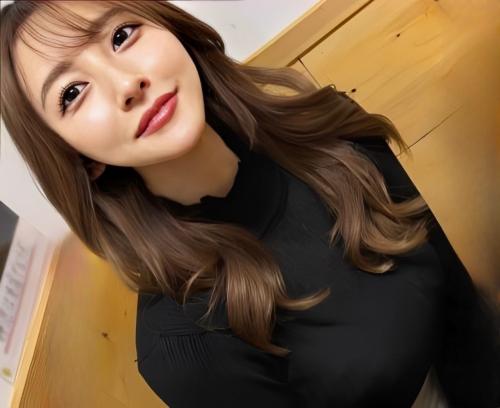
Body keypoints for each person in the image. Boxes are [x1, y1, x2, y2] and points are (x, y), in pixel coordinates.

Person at [1, 1, 499, 407]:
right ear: (79, 159)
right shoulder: (185, 347)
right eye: (72, 92)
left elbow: (463, 309)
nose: (127, 83)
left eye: (121, 35)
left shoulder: (328, 130)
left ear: (170, 30)